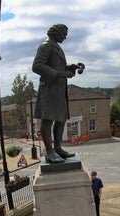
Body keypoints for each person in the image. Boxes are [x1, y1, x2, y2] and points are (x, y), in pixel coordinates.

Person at [32, 24, 82, 164]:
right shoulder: (46, 45)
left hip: (59, 90)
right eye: (64, 34)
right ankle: (49, 151)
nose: (65, 37)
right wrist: (58, 74)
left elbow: (57, 67)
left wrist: (70, 68)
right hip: (49, 89)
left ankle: (58, 148)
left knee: (60, 119)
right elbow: (36, 66)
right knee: (48, 120)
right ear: (56, 33)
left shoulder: (57, 47)